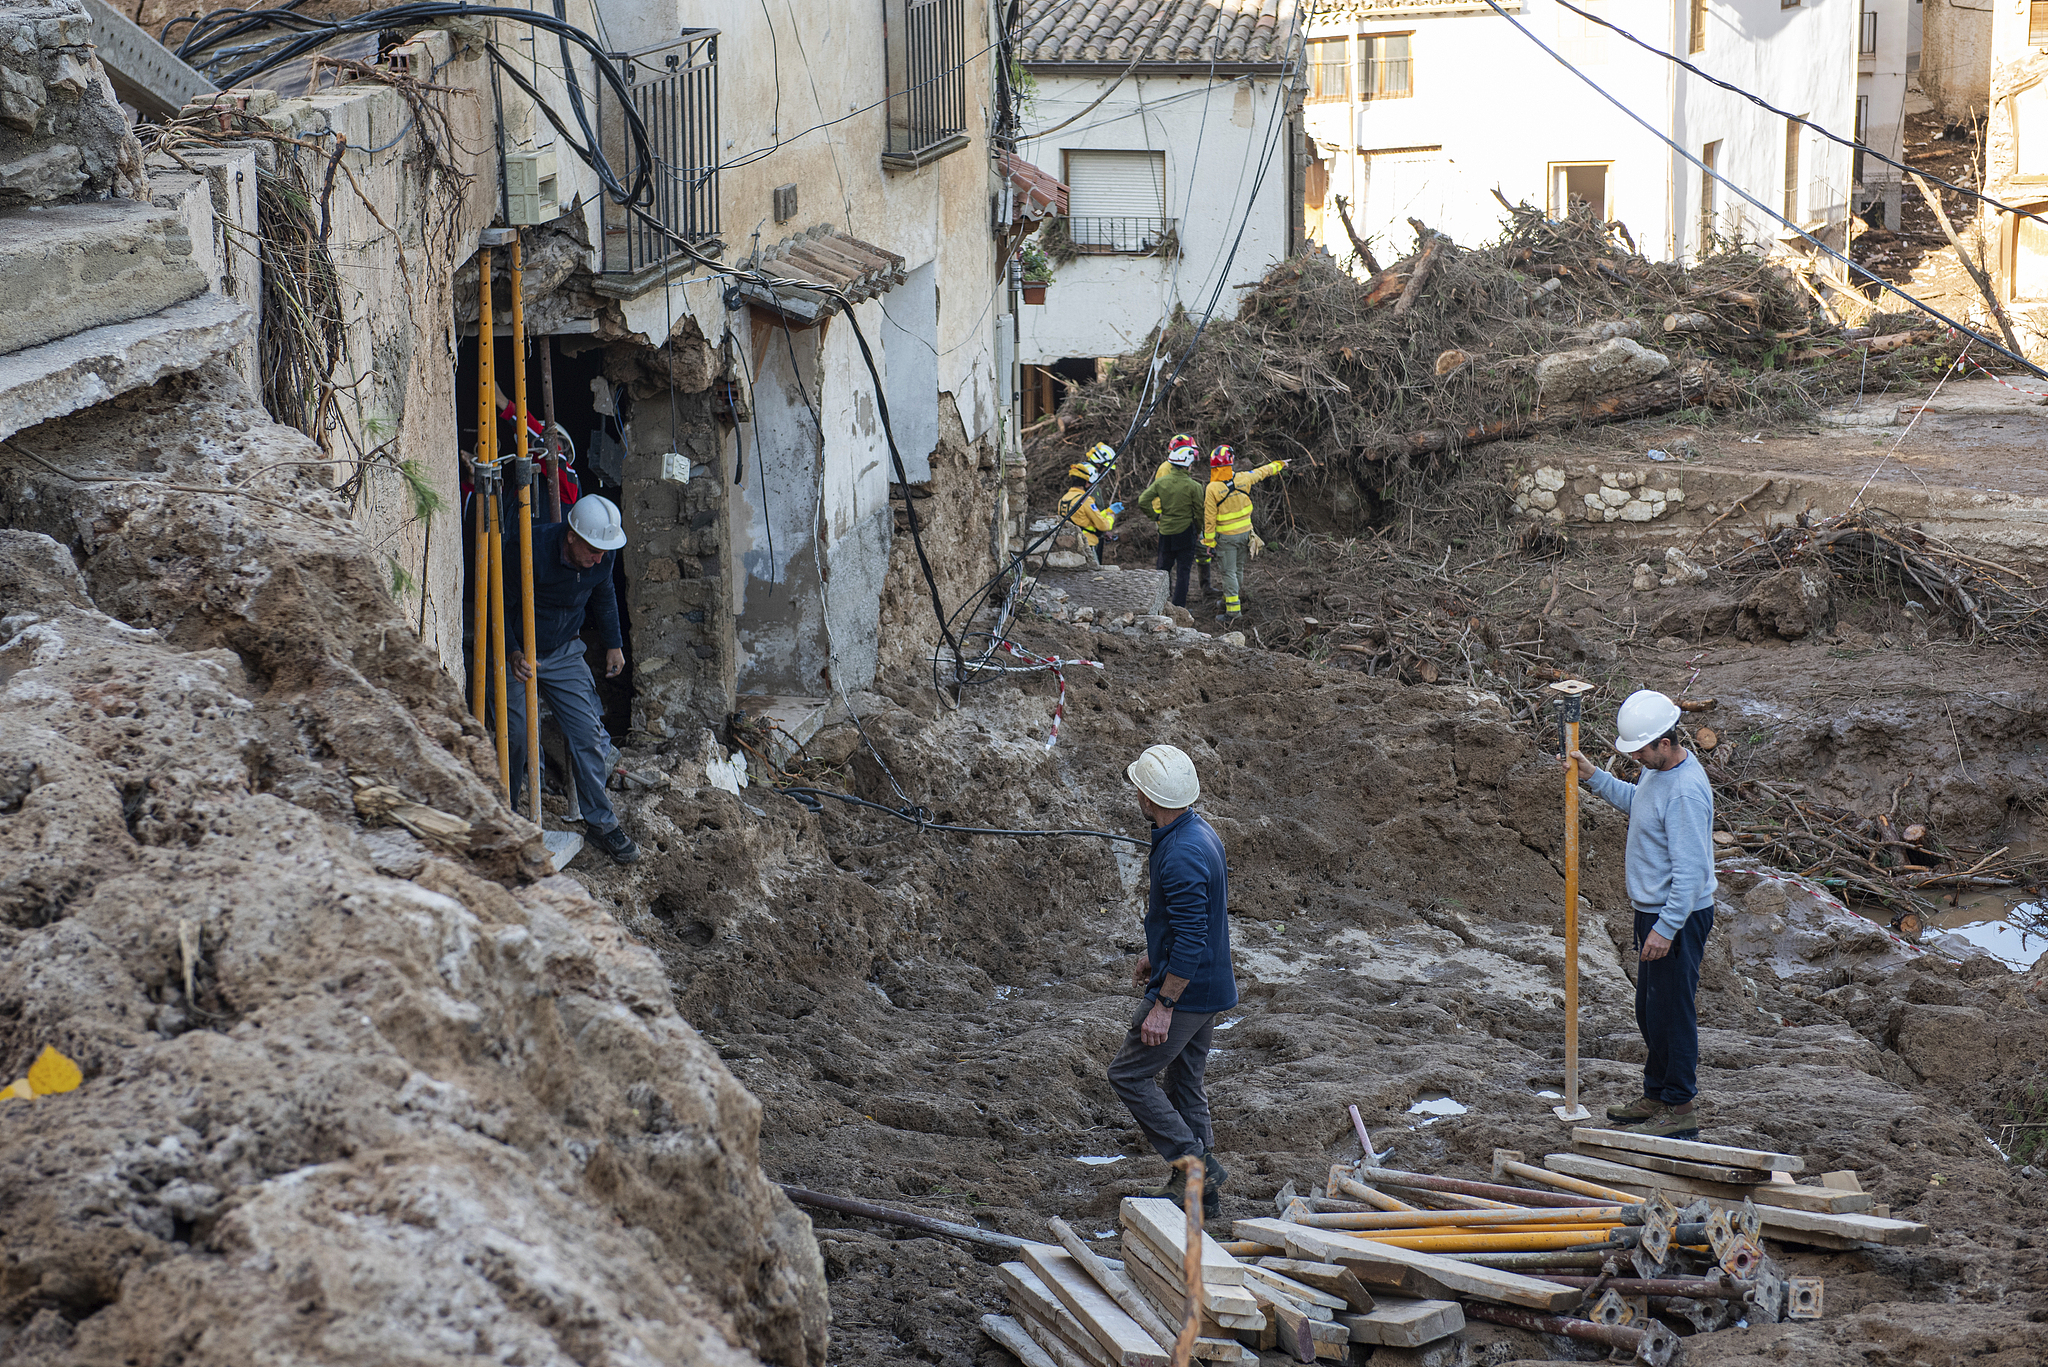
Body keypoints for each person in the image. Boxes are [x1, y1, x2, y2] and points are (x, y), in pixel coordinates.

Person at [1566, 690, 1717, 1139]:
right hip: (1655, 912)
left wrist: (1666, 929)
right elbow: (1640, 804)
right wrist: (1593, 777)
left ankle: (1680, 1105)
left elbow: (1690, 874)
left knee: (1672, 1013)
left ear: (1665, 743)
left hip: (1679, 916)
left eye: (1640, 750)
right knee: (1650, 1011)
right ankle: (1657, 1091)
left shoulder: (1686, 791)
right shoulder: (1659, 774)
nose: (1634, 756)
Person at [1109, 744, 1237, 1217]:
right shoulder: (1198, 833)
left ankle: (1195, 1168)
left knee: (1128, 1073)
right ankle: (1204, 1199)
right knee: (1185, 1082)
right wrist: (1153, 952)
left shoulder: (1181, 854)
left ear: (1147, 796)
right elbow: (1190, 922)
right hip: (1208, 987)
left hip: (1186, 992)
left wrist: (1163, 1004)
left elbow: (1192, 936)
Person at [502, 493, 641, 864]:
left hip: (564, 649)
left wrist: (614, 643)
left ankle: (601, 823)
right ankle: (508, 816)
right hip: (519, 650)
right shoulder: (528, 549)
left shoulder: (602, 553)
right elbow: (498, 604)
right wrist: (513, 652)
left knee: (589, 734)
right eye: (592, 550)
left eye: (603, 552)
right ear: (571, 537)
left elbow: (605, 592)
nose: (599, 558)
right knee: (514, 734)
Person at [1200, 445, 1286, 623]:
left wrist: (1209, 542)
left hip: (1227, 538)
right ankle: (1226, 600)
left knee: (1228, 573)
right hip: (1246, 534)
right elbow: (1262, 472)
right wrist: (1280, 464)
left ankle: (1233, 612)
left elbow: (1209, 518)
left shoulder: (1213, 488)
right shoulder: (1243, 478)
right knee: (1237, 570)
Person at [1136, 442, 1204, 614]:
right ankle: (1179, 608)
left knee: (1163, 570)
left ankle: (1159, 604)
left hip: (1165, 531)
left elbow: (1142, 500)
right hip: (1186, 532)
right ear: (1187, 464)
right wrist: (1199, 530)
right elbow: (1199, 513)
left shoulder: (1161, 483)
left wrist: (1155, 516)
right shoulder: (1194, 486)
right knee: (1183, 571)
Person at [1058, 443, 1121, 566]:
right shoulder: (1086, 498)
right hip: (1088, 543)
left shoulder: (1064, 498)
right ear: (1088, 483)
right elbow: (1102, 524)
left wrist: (1106, 511)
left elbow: (1086, 515)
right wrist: (1110, 516)